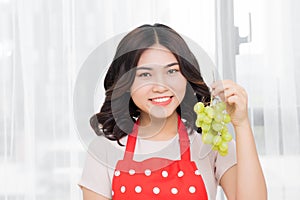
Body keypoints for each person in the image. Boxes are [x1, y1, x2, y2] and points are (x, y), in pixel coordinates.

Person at [78, 23, 267, 200]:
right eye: (145, 74)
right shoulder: (103, 151)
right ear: (126, 84)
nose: (160, 86)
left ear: (186, 76)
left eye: (172, 71)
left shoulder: (209, 142)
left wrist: (241, 124)